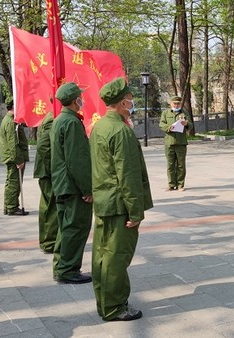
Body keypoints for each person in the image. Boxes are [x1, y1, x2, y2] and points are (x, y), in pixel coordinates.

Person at [90, 77, 153, 321]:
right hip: (119, 205)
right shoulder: (120, 130)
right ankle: (115, 306)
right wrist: (136, 211)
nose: (132, 101)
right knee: (117, 257)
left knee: (102, 255)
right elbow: (128, 176)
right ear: (122, 102)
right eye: (129, 98)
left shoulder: (100, 126)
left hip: (104, 201)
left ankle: (104, 302)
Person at [50, 82, 93, 283]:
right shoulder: (72, 123)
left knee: (65, 228)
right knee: (75, 228)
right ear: (76, 100)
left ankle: (61, 266)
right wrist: (87, 188)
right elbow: (77, 160)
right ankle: (68, 270)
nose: (82, 100)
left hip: (62, 183)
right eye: (80, 97)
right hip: (73, 186)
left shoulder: (59, 120)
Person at [33, 103, 57, 254]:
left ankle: (47, 240)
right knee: (51, 206)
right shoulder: (52, 118)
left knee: (47, 205)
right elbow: (44, 146)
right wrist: (52, 168)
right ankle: (50, 241)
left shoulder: (51, 116)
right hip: (47, 171)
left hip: (45, 170)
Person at [0, 98, 29, 216]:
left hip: (10, 156)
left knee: (11, 181)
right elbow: (12, 142)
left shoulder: (10, 120)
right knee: (14, 182)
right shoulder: (11, 122)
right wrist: (18, 159)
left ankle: (8, 205)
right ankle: (12, 207)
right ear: (13, 106)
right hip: (13, 157)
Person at [159, 95, 193, 191]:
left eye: (178, 104)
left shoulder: (184, 113)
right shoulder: (166, 113)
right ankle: (171, 184)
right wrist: (168, 127)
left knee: (181, 165)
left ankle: (180, 184)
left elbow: (190, 125)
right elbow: (161, 124)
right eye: (175, 103)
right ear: (171, 103)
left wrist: (186, 124)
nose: (176, 105)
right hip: (169, 142)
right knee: (170, 165)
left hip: (181, 142)